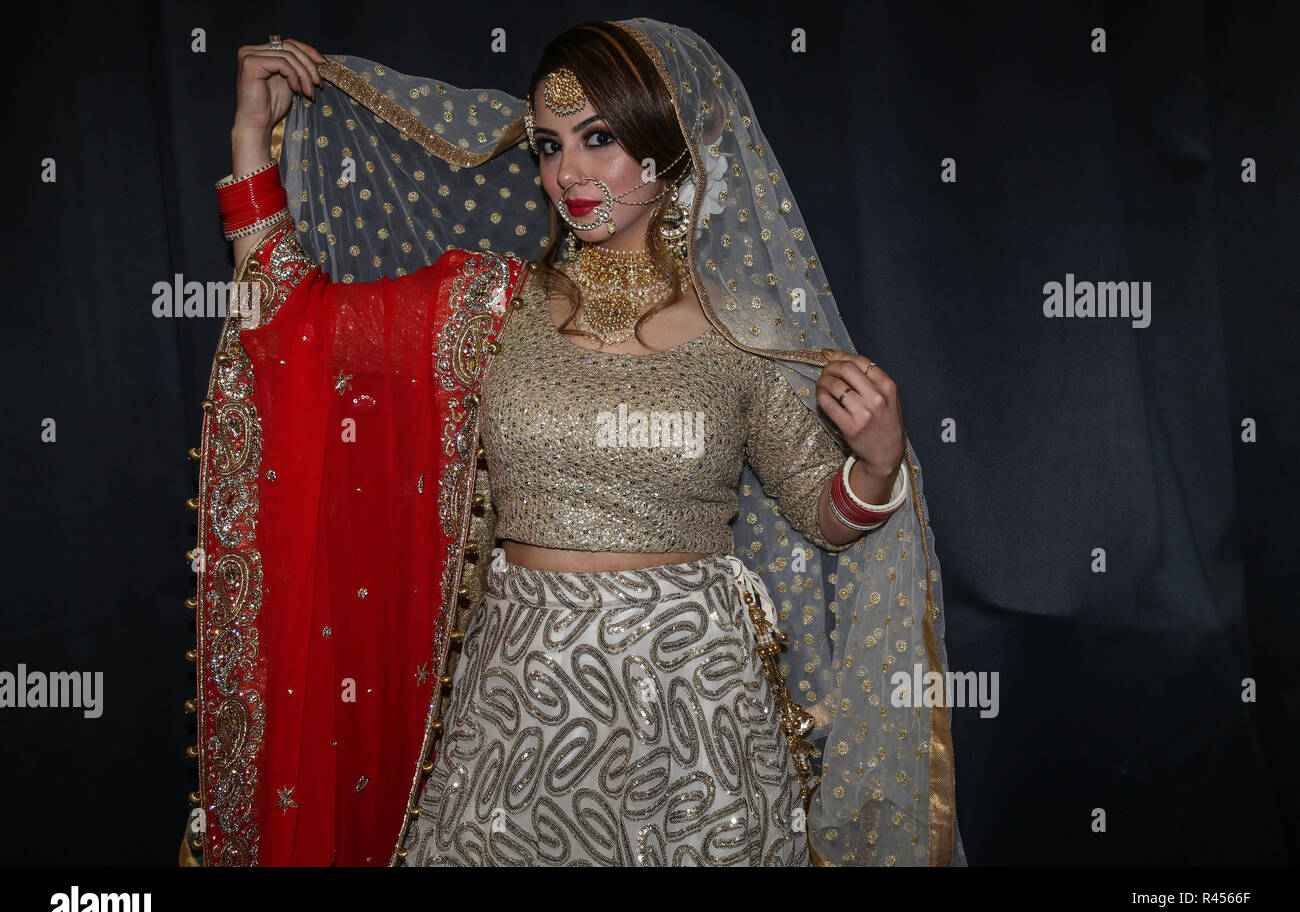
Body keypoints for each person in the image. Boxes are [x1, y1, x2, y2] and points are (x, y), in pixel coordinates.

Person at [183, 17, 966, 867]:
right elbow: (296, 322)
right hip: (521, 698)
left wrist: (877, 464)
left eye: (600, 139)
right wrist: (250, 137)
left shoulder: (746, 332)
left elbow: (823, 515)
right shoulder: (489, 308)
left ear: (671, 152)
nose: (569, 174)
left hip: (693, 700)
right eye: (550, 146)